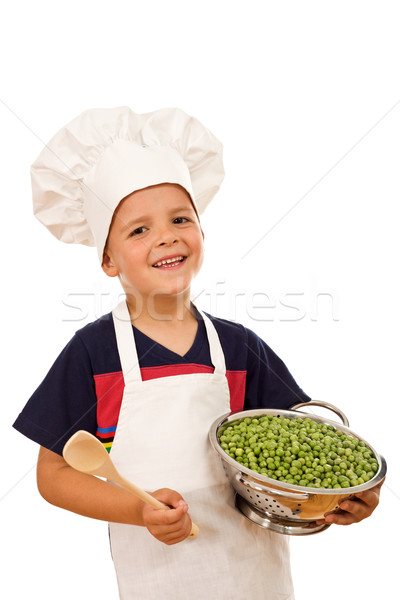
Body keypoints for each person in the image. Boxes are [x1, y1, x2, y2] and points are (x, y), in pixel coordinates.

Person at [13, 107, 383, 599]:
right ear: (107, 258)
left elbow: (306, 441)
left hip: (256, 578)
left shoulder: (239, 348)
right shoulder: (93, 353)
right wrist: (137, 510)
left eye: (180, 219)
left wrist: (345, 492)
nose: (166, 235)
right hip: (158, 579)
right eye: (138, 230)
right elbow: (53, 475)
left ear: (202, 233)